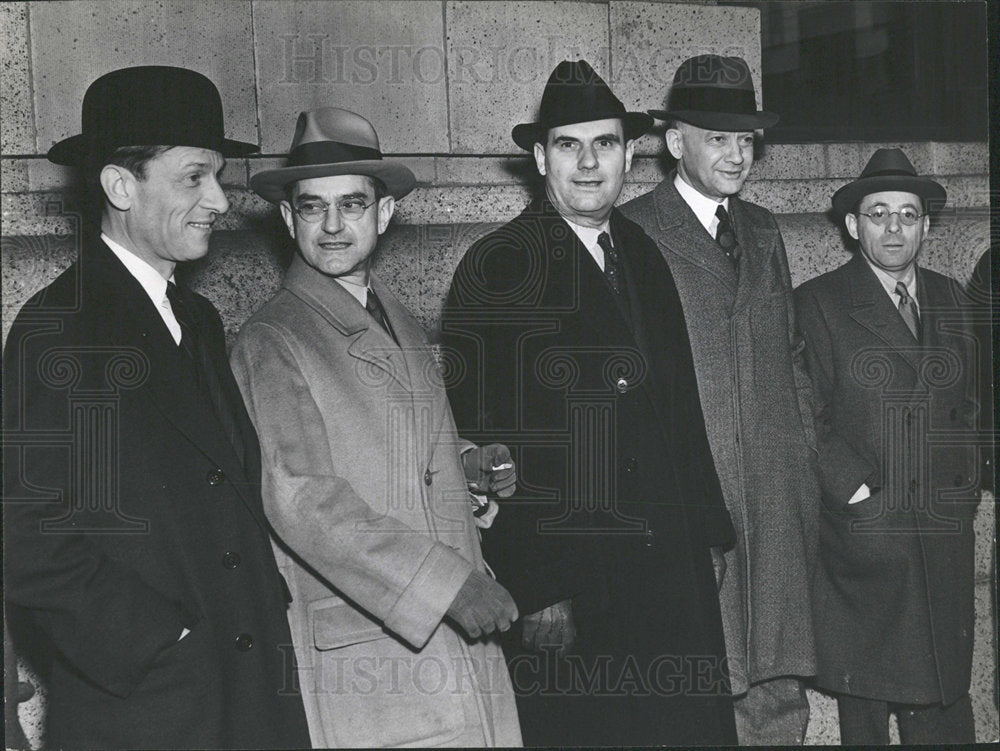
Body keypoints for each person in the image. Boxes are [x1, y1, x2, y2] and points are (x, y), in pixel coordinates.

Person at [1, 66, 310, 749]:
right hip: (150, 710)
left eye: (218, 177)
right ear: (120, 186)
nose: (219, 201)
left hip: (242, 693)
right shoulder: (59, 328)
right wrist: (159, 640)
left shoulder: (197, 318)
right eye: (194, 176)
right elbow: (28, 537)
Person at [441, 59, 737, 746]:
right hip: (577, 582)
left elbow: (680, 407)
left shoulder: (642, 252)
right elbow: (482, 436)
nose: (587, 162)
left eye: (605, 143)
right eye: (568, 145)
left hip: (667, 566)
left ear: (630, 155)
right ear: (540, 158)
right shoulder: (498, 266)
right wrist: (540, 586)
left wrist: (707, 531)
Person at [229, 107, 523, 748]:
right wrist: (448, 586)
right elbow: (302, 499)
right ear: (289, 220)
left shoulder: (396, 317)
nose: (333, 225)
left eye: (352, 204)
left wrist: (465, 464)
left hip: (448, 640)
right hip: (378, 655)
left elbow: (392, 449)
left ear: (384, 213)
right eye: (313, 207)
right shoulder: (272, 338)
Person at [620, 54, 819, 745]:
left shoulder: (762, 228)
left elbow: (790, 351)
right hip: (699, 492)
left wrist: (803, 459)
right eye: (719, 139)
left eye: (747, 140)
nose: (738, 155)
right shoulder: (634, 229)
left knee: (780, 679)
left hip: (775, 490)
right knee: (710, 675)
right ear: (676, 141)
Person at [794, 148, 980, 744]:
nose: (894, 228)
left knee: (945, 706)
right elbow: (805, 412)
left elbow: (973, 403)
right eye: (879, 214)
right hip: (867, 538)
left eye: (908, 214)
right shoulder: (819, 303)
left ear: (926, 226)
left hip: (941, 535)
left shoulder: (954, 299)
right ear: (854, 226)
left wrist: (965, 486)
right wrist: (852, 488)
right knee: (867, 711)